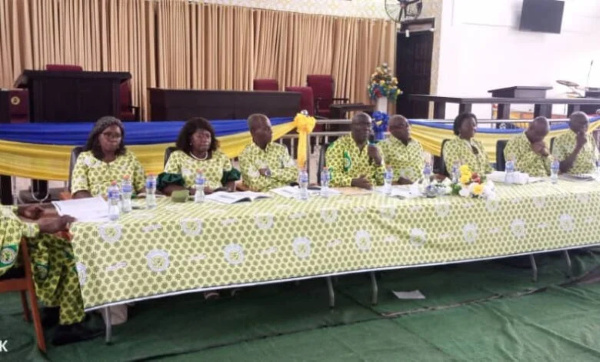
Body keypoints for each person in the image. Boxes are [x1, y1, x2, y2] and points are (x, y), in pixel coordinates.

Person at [0, 205, 102, 345]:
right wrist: (43, 226)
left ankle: (55, 309)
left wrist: (20, 209)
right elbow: (6, 230)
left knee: (57, 250)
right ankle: (69, 325)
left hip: (19, 248)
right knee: (73, 260)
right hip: (8, 262)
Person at [162, 117, 240, 195]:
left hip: (218, 200)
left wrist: (226, 193)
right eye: (200, 136)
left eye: (207, 136)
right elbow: (168, 187)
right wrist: (194, 191)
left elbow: (230, 181)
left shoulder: (220, 156)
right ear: (190, 139)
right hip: (189, 199)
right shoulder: (177, 157)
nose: (205, 139)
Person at [71, 116, 145, 198]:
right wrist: (94, 206)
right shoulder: (85, 158)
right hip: (97, 207)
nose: (113, 138)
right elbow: (79, 190)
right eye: (108, 134)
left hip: (129, 205)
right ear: (97, 137)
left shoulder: (129, 157)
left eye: (117, 135)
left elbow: (142, 185)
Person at [239, 114, 298, 191]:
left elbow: (294, 174)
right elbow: (256, 184)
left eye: (270, 128)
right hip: (264, 197)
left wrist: (268, 172)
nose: (271, 131)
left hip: (287, 193)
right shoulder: (246, 155)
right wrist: (282, 177)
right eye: (266, 129)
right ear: (253, 131)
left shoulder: (280, 149)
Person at [326, 112, 385, 189]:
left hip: (371, 193)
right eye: (361, 124)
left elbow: (383, 181)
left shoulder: (375, 149)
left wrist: (379, 161)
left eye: (369, 125)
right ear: (351, 126)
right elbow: (331, 176)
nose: (366, 128)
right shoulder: (338, 146)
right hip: (345, 194)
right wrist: (353, 182)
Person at [378, 114, 425, 184]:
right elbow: (379, 171)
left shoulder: (417, 144)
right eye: (402, 125)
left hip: (421, 186)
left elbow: (422, 165)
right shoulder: (383, 146)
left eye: (408, 124)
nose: (408, 127)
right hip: (398, 187)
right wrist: (397, 180)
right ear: (391, 129)